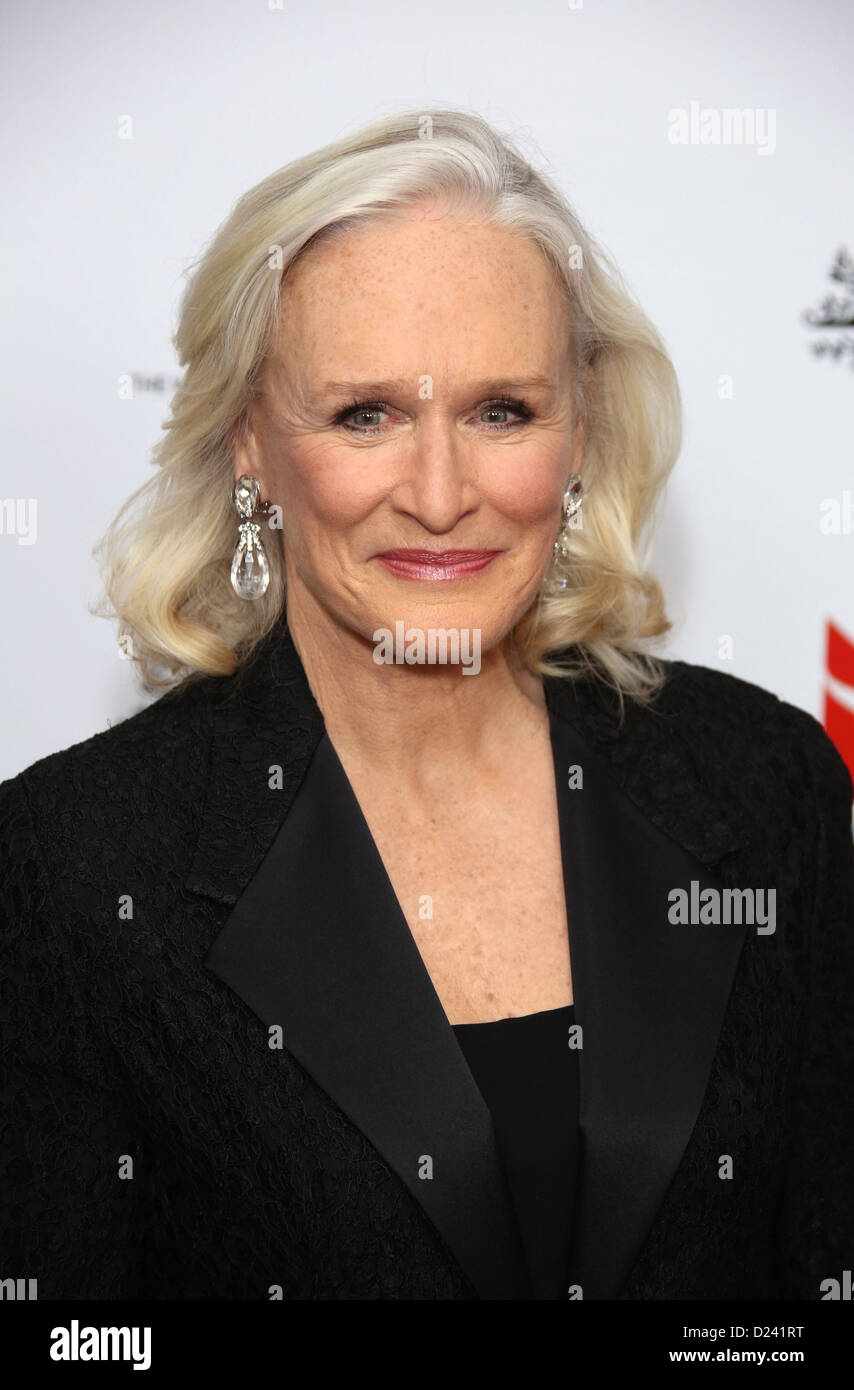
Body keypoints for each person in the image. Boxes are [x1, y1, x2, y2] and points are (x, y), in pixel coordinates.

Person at [1, 107, 852, 1302]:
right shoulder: (73, 866)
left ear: (579, 431)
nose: (442, 495)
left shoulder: (765, 785)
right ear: (250, 440)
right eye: (366, 415)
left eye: (500, 410)